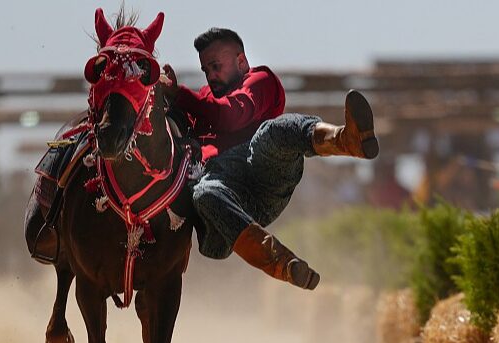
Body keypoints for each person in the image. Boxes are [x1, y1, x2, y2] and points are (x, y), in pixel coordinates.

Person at [162, 28, 379, 290]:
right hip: (221, 213)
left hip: (264, 179)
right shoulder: (202, 100)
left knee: (274, 130)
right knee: (204, 191)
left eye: (216, 66)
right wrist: (164, 96)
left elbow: (232, 116)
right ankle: (283, 264)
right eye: (206, 70)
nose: (211, 75)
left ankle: (346, 140)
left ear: (241, 61)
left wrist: (181, 95)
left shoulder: (260, 81)